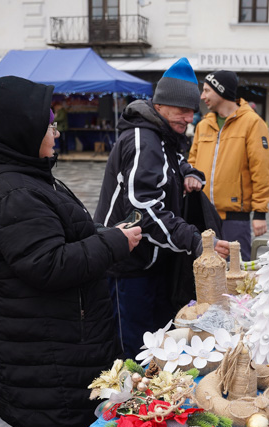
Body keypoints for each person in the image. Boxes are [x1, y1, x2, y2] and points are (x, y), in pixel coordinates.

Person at [0, 75, 142, 427]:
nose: (56, 130)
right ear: (21, 131)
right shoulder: (16, 193)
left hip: (46, 338)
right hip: (47, 346)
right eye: (48, 124)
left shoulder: (23, 179)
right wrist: (114, 243)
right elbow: (49, 264)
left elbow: (58, 239)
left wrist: (104, 236)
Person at [93, 58, 229, 358]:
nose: (189, 118)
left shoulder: (164, 137)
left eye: (192, 111)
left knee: (157, 345)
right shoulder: (144, 139)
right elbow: (145, 207)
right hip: (127, 266)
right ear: (161, 105)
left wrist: (190, 172)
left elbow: (172, 164)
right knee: (136, 352)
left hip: (151, 263)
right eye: (182, 110)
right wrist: (195, 241)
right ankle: (129, 402)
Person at [188, 70, 269, 262]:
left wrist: (260, 213)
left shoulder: (252, 123)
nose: (202, 96)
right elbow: (191, 164)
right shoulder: (203, 125)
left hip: (235, 218)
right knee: (204, 276)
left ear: (221, 91)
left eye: (207, 90)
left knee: (235, 278)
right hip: (203, 215)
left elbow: (262, 170)